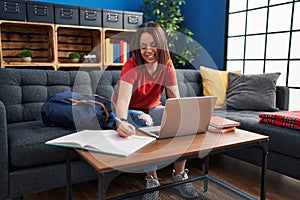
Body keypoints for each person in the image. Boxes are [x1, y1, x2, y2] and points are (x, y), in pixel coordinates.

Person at [113, 22, 198, 199]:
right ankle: (152, 180)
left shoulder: (167, 65)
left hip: (153, 108)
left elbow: (175, 99)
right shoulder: (131, 66)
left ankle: (179, 175)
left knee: (179, 118)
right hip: (131, 110)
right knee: (145, 121)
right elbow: (122, 101)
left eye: (153, 45)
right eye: (143, 46)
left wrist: (182, 115)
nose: (148, 50)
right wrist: (120, 121)